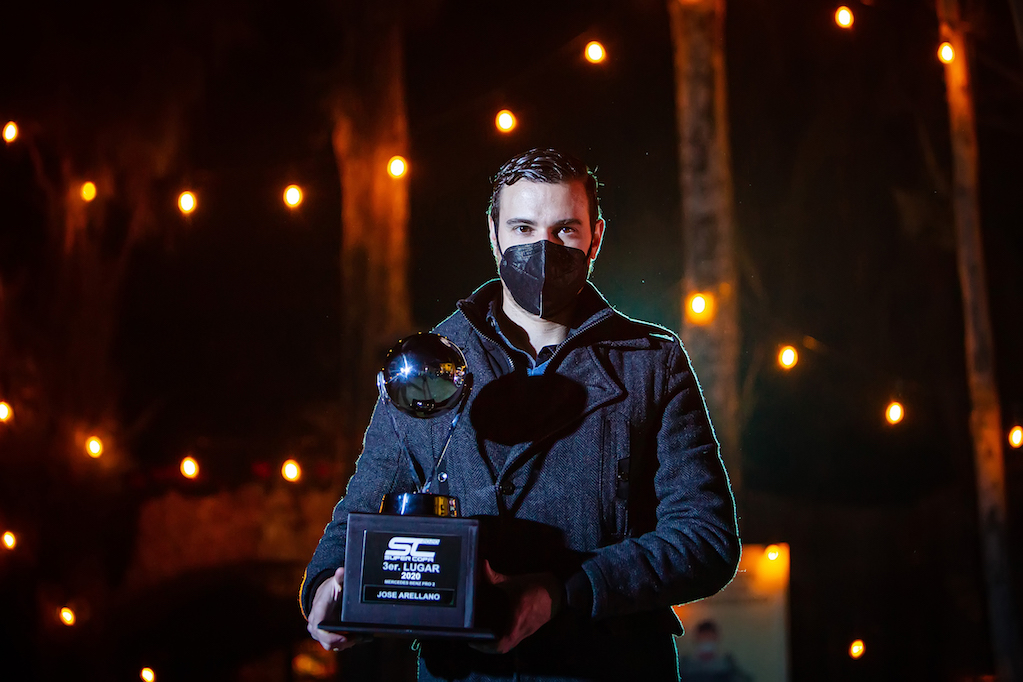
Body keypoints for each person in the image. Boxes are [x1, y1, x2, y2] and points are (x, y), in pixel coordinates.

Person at [300, 148, 740, 681]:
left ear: (596, 237)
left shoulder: (652, 363)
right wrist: (326, 586)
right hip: (464, 672)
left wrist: (561, 592)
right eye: (524, 227)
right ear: (493, 234)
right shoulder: (429, 364)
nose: (543, 250)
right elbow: (362, 508)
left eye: (565, 231)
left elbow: (705, 540)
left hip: (607, 667)